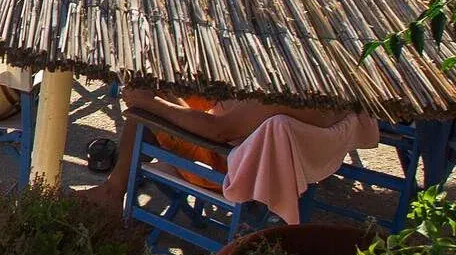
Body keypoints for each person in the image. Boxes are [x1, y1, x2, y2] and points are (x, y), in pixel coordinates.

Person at [79, 87, 348, 210]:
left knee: (144, 107)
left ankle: (113, 192)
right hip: (272, 159)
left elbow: (219, 130)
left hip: (226, 169)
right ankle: (121, 180)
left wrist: (153, 105)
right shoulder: (336, 88)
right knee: (162, 91)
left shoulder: (288, 95)